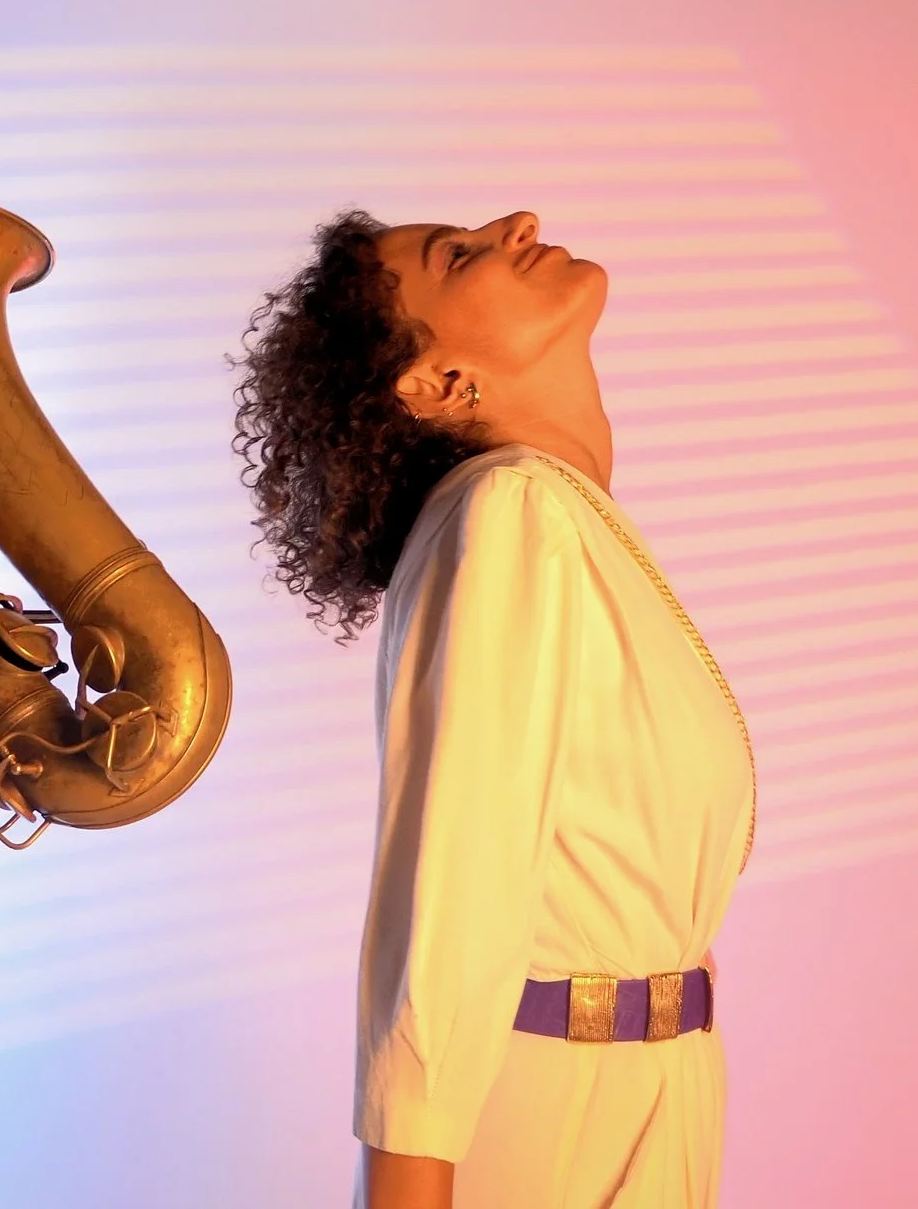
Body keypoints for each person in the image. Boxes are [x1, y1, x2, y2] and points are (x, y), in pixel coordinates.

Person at [233, 211, 757, 1209]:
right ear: (436, 384)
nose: (514, 220)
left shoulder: (564, 521)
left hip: (655, 1093)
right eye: (457, 254)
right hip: (549, 1120)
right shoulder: (509, 512)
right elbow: (450, 881)